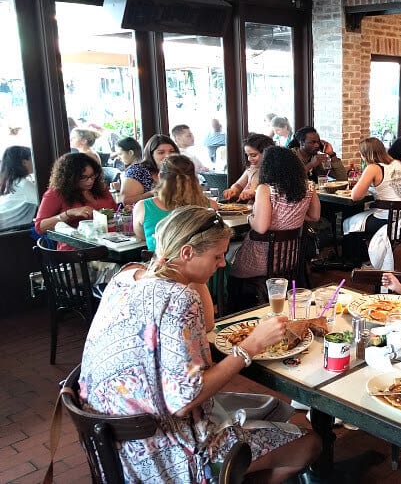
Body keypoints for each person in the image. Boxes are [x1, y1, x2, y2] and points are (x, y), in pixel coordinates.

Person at [79, 206, 320, 483]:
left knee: (273, 409)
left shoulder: (126, 276)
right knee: (309, 442)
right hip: (160, 450)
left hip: (108, 441)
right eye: (217, 256)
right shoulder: (178, 298)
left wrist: (194, 277)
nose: (223, 263)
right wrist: (251, 346)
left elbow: (205, 326)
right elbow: (185, 401)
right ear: (187, 253)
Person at [230, 146, 320, 282]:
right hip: (290, 259)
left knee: (228, 257)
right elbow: (315, 216)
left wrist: (250, 218)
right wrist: (295, 215)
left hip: (261, 260)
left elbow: (261, 227)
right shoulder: (308, 186)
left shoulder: (265, 189)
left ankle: (235, 301)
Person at [342, 137, 401, 264]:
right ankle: (365, 258)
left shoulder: (373, 168)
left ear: (365, 154)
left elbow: (355, 196)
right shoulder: (397, 163)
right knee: (362, 215)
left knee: (348, 221)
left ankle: (355, 261)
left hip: (388, 219)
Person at [132, 155, 218, 250]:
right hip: (200, 264)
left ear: (160, 176)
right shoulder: (211, 206)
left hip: (161, 263)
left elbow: (142, 236)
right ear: (195, 178)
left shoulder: (143, 207)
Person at [33, 153, 116, 246]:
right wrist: (69, 213)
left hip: (111, 243)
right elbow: (40, 227)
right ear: (70, 178)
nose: (90, 181)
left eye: (93, 175)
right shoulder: (56, 193)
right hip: (77, 250)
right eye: (84, 177)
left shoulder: (101, 189)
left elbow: (116, 212)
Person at [120, 134, 179, 205]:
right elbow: (126, 201)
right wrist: (153, 193)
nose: (167, 155)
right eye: (161, 152)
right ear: (151, 155)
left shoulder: (179, 169)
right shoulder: (137, 170)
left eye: (172, 151)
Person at [222, 133, 274, 203]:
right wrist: (233, 190)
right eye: (247, 155)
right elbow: (239, 185)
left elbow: (275, 194)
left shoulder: (274, 172)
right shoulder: (251, 169)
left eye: (253, 155)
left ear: (267, 153)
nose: (249, 159)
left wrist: (255, 192)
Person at [0, 146, 37, 230]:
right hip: (9, 232)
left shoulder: (11, 182)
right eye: (32, 158)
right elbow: (46, 204)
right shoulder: (24, 184)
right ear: (24, 162)